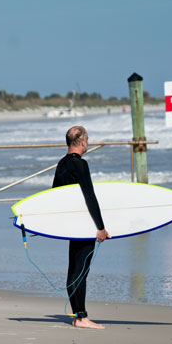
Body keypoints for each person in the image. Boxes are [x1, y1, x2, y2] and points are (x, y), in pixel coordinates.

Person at [53, 126, 110, 329]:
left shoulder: (61, 165)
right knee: (80, 269)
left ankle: (79, 316)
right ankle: (81, 317)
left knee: (74, 268)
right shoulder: (80, 164)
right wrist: (100, 227)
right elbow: (89, 196)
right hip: (83, 223)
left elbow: (55, 196)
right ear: (83, 141)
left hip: (71, 224)